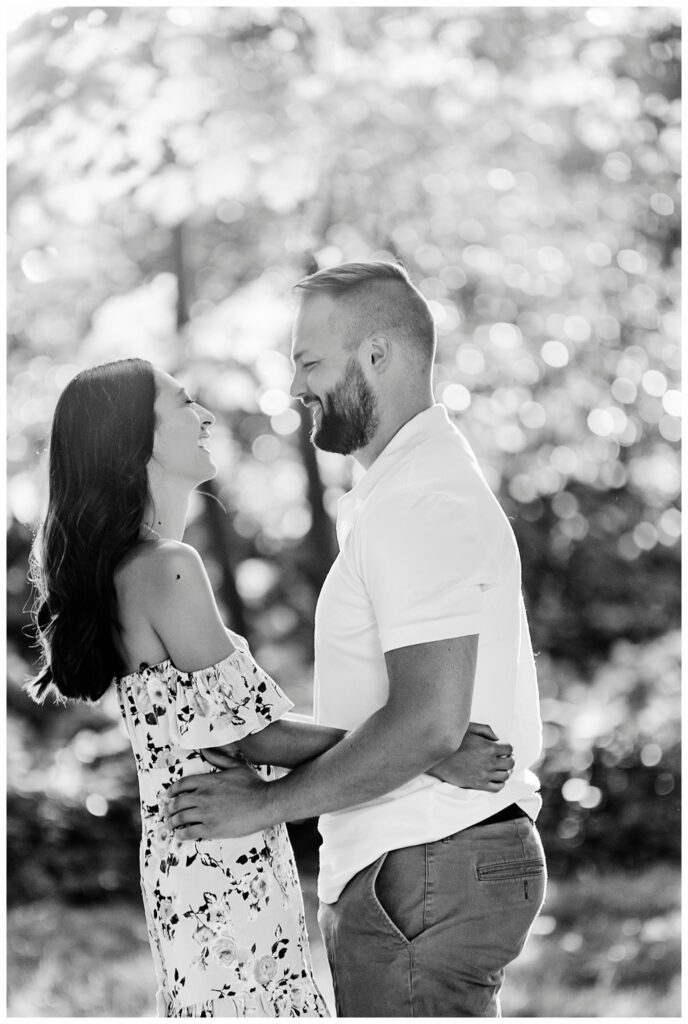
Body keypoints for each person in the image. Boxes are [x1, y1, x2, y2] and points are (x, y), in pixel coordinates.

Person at [27, 356, 511, 1018]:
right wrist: (435, 753)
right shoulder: (168, 568)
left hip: (189, 864)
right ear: (134, 440)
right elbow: (262, 735)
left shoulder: (126, 571)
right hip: (223, 868)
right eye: (181, 404)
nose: (202, 416)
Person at [165, 261, 547, 1017]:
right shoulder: (400, 493)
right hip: (427, 863)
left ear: (377, 356)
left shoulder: (421, 501)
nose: (296, 386)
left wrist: (263, 807)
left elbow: (427, 723)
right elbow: (424, 726)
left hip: (425, 868)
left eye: (310, 361)